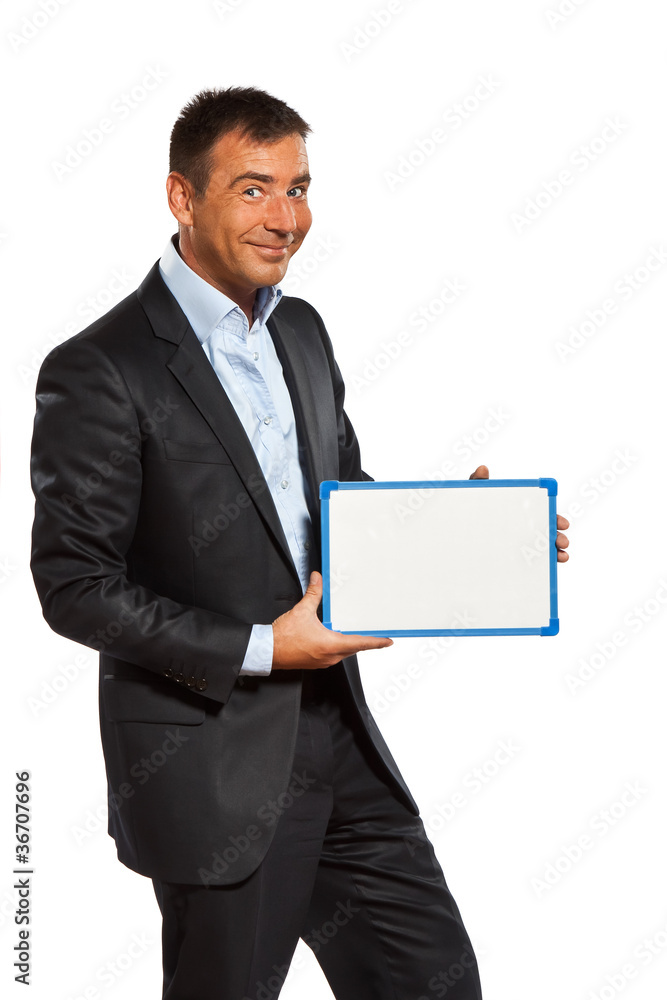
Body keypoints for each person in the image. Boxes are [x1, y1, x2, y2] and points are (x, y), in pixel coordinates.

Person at [30, 86, 569, 1000]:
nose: (285, 218)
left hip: (342, 739)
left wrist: (465, 535)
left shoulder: (302, 331)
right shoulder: (101, 367)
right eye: (253, 189)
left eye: (298, 188)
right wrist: (261, 648)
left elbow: (337, 507)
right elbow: (74, 584)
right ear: (181, 197)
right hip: (213, 767)